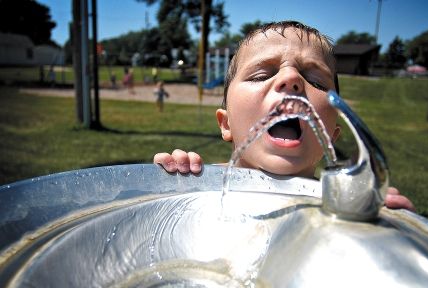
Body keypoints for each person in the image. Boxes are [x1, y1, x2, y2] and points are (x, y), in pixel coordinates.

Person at [153, 21, 414, 211]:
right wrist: (172, 179)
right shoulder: (202, 183)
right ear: (226, 123)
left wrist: (391, 228)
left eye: (316, 81)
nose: (291, 79)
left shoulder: (340, 207)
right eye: (261, 75)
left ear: (331, 136)